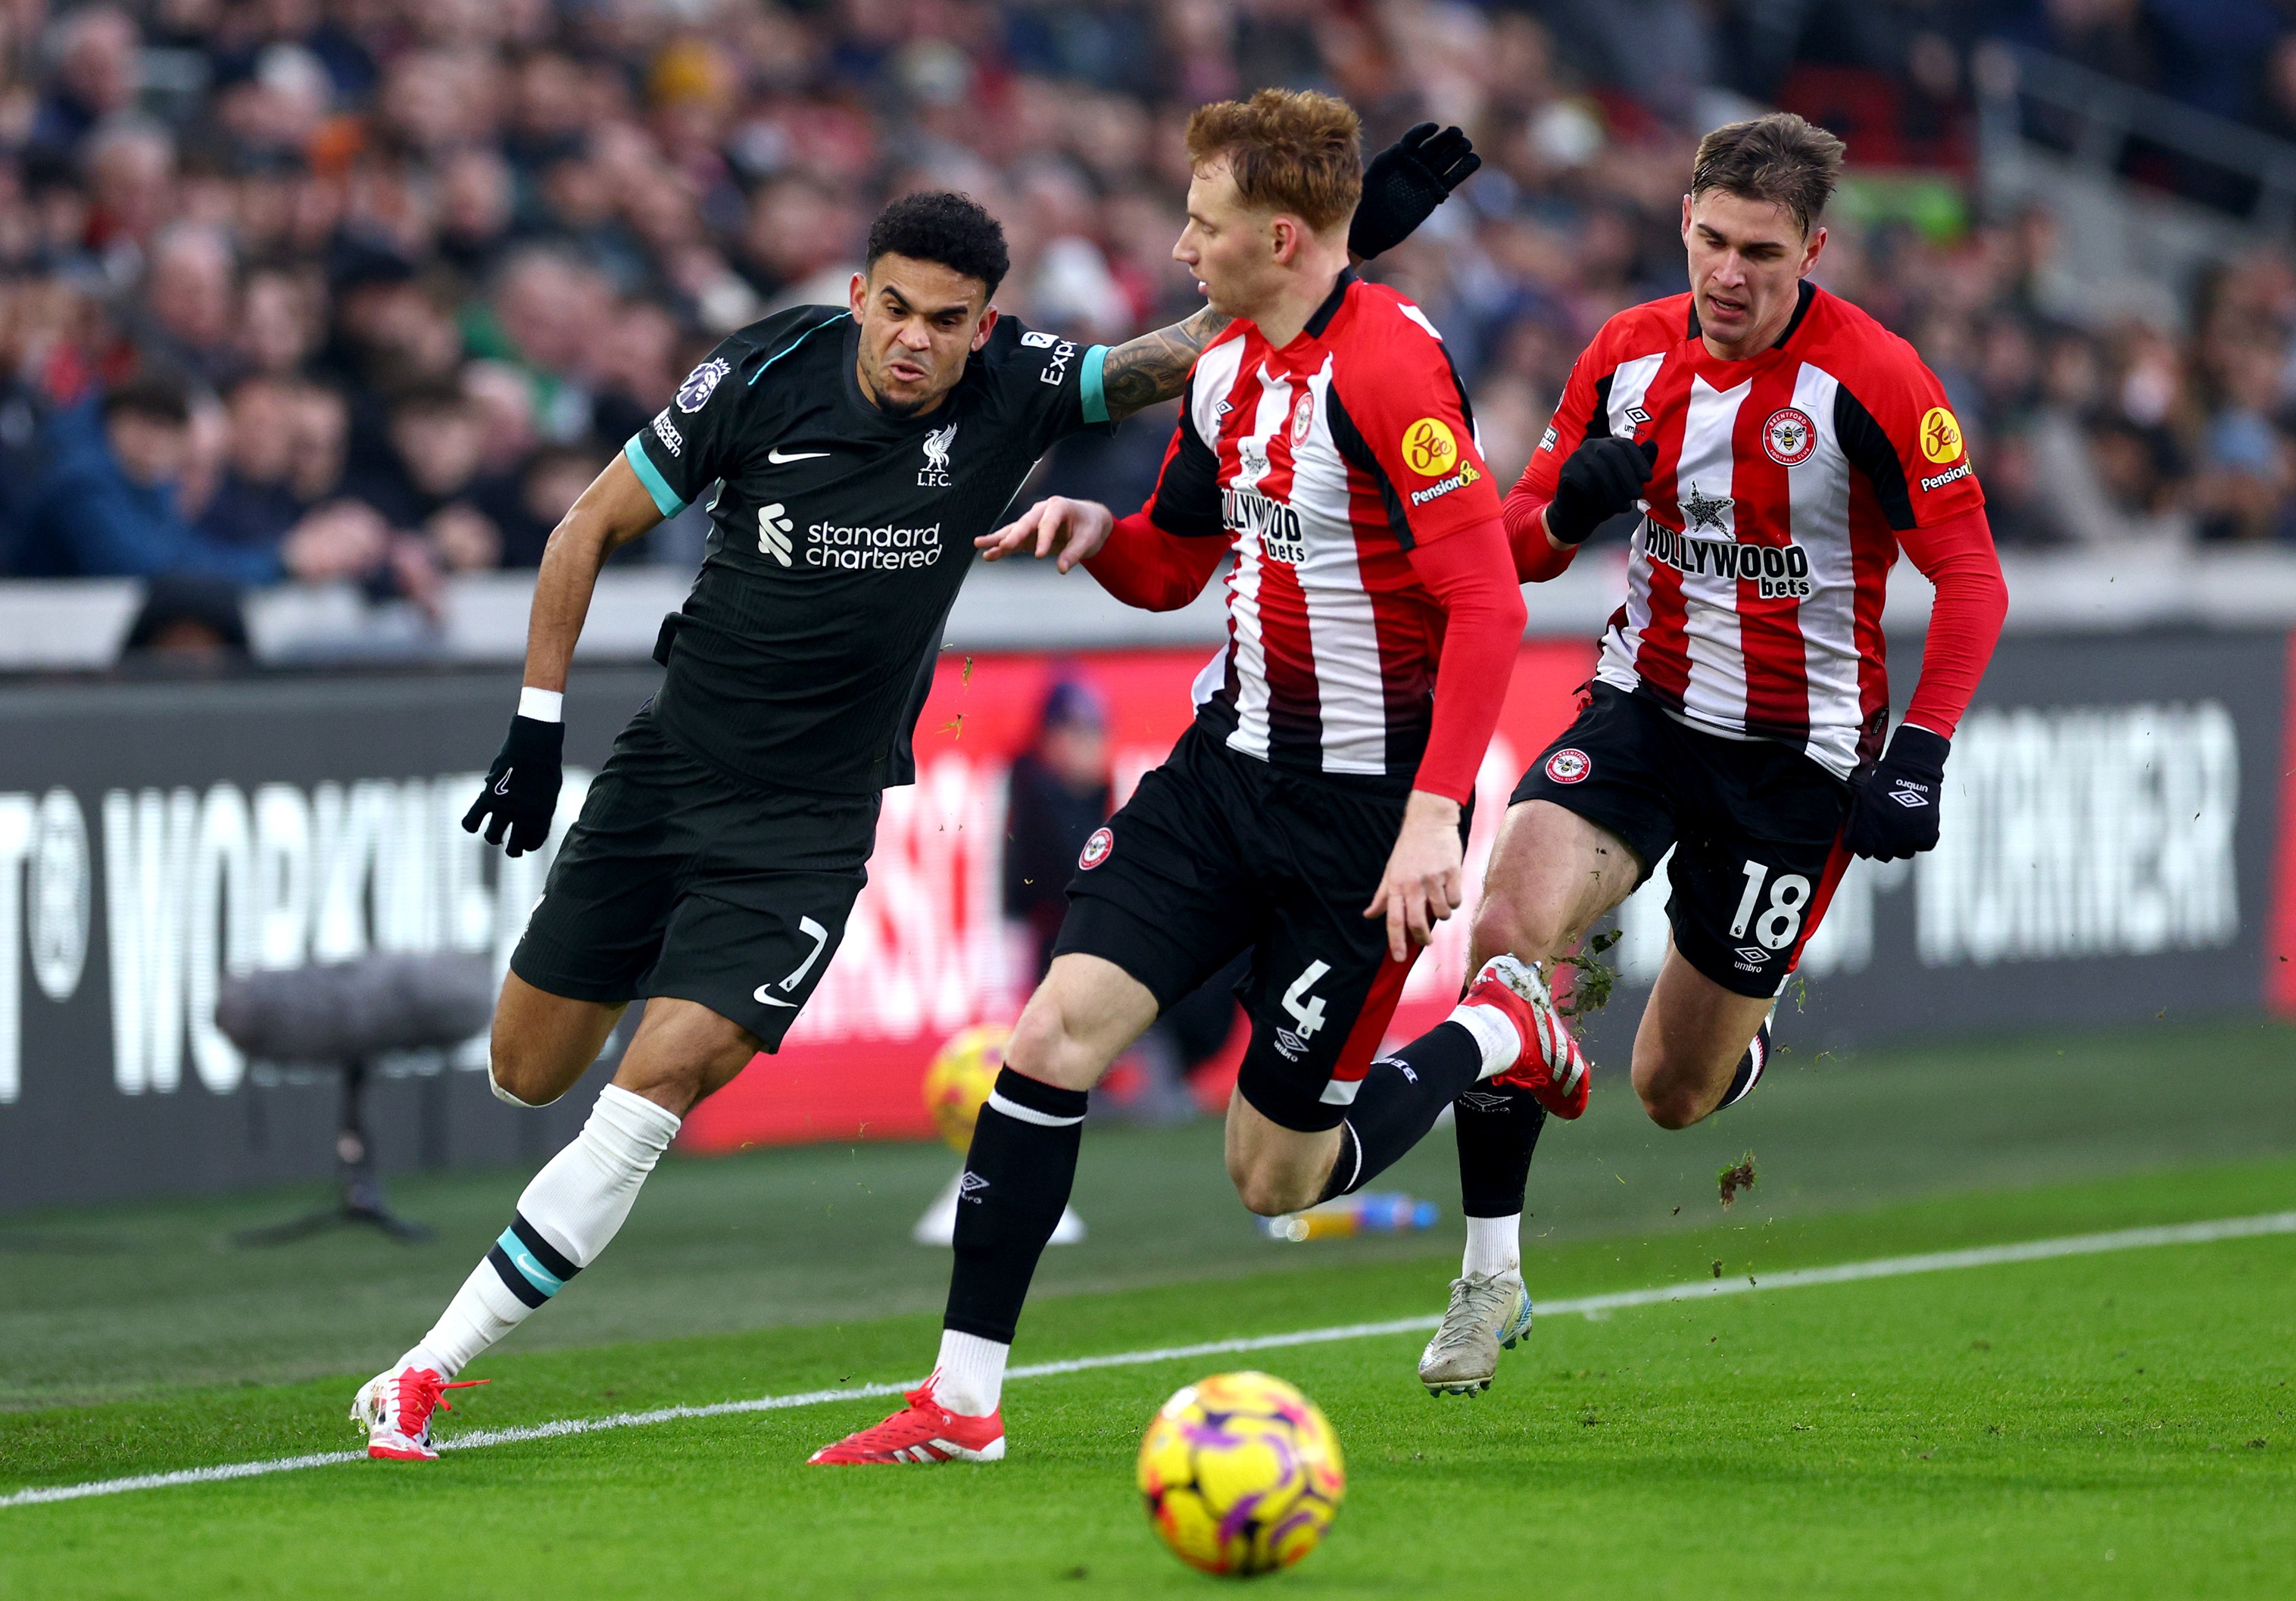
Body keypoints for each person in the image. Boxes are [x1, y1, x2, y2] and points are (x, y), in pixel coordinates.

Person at [351, 127, 1480, 1462]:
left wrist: (1350, 245)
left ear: (982, 327)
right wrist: (538, 730)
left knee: (650, 1090)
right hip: (667, 775)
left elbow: (1184, 352)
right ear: (858, 298)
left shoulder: (1016, 389)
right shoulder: (762, 371)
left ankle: (423, 1371)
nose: (915, 341)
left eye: (947, 322)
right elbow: (583, 527)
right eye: (894, 309)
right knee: (526, 1070)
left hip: (809, 828)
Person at [809, 92, 1527, 1467]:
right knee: (1049, 1039)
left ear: (1273, 232)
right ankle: (962, 1402)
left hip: (1365, 816)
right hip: (1217, 776)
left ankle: (1495, 1035)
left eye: (1201, 225)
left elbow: (1486, 606)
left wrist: (1435, 815)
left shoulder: (1390, 371)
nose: (1181, 250)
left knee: (1278, 1177)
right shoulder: (1225, 370)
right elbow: (1176, 559)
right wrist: (1096, 532)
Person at [1383, 113, 2007, 1397]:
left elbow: (1973, 579)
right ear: (1684, 222)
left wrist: (1926, 748)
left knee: (1670, 1090)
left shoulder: (1876, 381)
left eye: (1761, 253)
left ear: (1814, 250)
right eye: (1711, 241)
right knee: (1508, 922)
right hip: (1644, 713)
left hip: (1799, 763)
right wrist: (1561, 503)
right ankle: (1487, 1275)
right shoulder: (1623, 355)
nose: (1728, 274)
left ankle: (1743, 1035)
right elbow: (1514, 551)